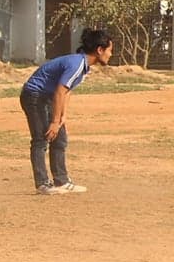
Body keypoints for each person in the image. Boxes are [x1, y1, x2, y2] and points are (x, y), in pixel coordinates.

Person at [19, 28, 114, 195]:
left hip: (47, 97)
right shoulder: (77, 63)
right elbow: (60, 91)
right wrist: (54, 122)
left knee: (60, 138)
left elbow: (67, 91)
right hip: (34, 96)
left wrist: (62, 116)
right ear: (100, 50)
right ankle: (42, 184)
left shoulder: (84, 67)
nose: (111, 54)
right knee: (41, 139)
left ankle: (61, 181)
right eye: (110, 50)